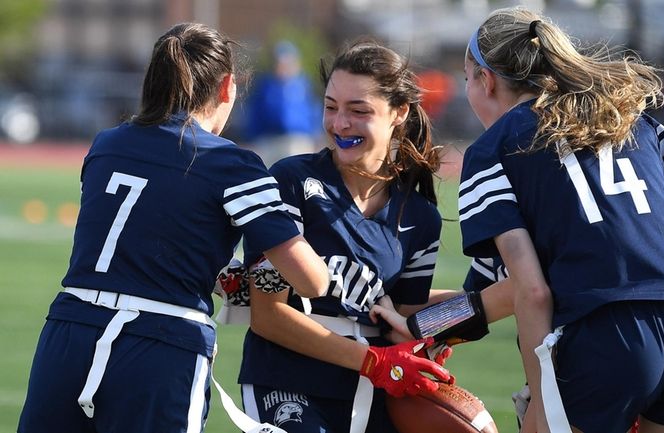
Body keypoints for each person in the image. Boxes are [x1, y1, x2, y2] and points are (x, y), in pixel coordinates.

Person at [375, 7, 664, 433]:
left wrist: (543, 399)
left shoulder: (495, 147)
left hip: (610, 332)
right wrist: (423, 324)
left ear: (485, 80)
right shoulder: (640, 122)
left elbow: (531, 291)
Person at [17, 22, 333, 433]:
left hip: (69, 333)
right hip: (161, 345)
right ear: (226, 87)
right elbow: (312, 281)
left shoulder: (106, 144)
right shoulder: (231, 164)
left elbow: (147, 233)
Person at [229, 40, 452, 433]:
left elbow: (405, 316)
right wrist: (374, 362)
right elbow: (268, 316)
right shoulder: (290, 181)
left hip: (371, 392)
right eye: (331, 107)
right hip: (285, 382)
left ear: (399, 112)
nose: (339, 124)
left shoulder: (421, 218)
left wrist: (440, 334)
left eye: (358, 111)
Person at [242, 40, 322, 166]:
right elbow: (255, 112)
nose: (283, 65)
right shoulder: (266, 84)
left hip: (298, 140)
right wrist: (251, 138)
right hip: (269, 140)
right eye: (280, 61)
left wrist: (317, 136)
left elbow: (315, 111)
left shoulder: (304, 84)